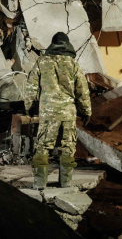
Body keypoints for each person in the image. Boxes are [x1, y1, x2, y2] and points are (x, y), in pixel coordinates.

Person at [23, 32, 91, 190]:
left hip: (48, 112)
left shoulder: (42, 61)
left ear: (52, 44)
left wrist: (29, 108)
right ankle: (65, 183)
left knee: (43, 146)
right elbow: (83, 90)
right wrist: (86, 111)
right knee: (68, 147)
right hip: (68, 113)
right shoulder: (73, 63)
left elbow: (31, 87)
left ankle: (40, 183)